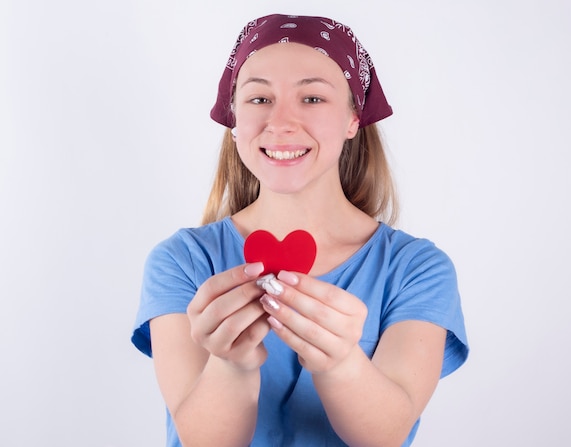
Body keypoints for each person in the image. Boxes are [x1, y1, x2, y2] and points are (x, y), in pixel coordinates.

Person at [132, 13, 468, 447]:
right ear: (234, 121)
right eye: (258, 99)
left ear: (353, 119)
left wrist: (341, 363)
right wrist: (232, 365)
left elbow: (385, 435)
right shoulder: (181, 261)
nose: (281, 122)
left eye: (312, 98)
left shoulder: (417, 269)